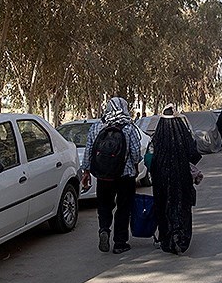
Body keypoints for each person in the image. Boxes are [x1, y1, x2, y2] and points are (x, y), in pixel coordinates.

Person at [81, 97, 143, 254]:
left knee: (104, 206)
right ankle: (120, 243)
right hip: (125, 176)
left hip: (103, 176)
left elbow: (89, 150)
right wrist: (135, 167)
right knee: (123, 208)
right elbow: (135, 153)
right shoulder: (129, 128)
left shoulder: (97, 127)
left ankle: (104, 229)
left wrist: (86, 171)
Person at [150, 103, 202, 255]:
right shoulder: (182, 131)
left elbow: (152, 158)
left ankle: (167, 240)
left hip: (161, 179)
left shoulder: (159, 133)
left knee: (163, 206)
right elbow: (193, 153)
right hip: (181, 177)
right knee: (181, 206)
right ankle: (180, 238)